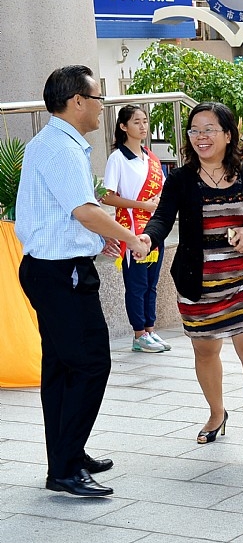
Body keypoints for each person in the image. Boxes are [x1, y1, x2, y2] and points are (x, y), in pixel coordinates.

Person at [15, 65, 150, 497]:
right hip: (62, 274)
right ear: (77, 101)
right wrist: (130, 238)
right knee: (91, 364)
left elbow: (68, 213)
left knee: (61, 366)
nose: (101, 107)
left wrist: (97, 239)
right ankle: (66, 467)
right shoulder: (62, 147)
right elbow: (85, 210)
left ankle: (65, 455)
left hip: (52, 269)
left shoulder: (53, 142)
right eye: (98, 99)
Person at [141, 102, 243, 460]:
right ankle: (217, 412)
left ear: (228, 134)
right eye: (194, 130)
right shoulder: (181, 179)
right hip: (198, 282)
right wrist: (147, 238)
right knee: (206, 351)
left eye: (209, 129)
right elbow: (162, 219)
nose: (200, 137)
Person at [102, 105, 170, 353]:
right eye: (136, 122)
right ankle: (139, 334)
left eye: (145, 121)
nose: (143, 126)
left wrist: (158, 202)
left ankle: (150, 330)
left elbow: (162, 189)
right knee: (137, 284)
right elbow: (107, 196)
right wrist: (142, 205)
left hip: (153, 230)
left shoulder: (151, 158)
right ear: (123, 127)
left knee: (151, 283)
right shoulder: (117, 159)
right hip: (131, 230)